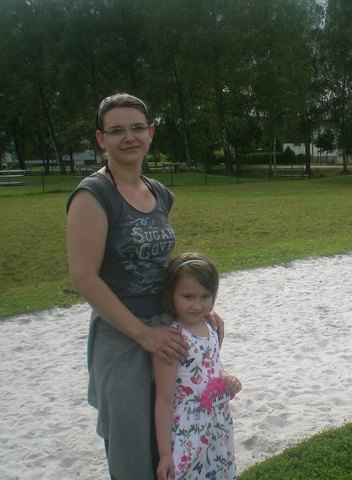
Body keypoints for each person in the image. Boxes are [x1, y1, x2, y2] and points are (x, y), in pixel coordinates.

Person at [66, 93, 223, 479]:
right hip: (123, 335)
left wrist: (198, 304)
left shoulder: (158, 192)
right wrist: (143, 335)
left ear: (151, 133)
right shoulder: (94, 195)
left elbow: (163, 261)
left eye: (137, 127)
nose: (129, 137)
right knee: (133, 450)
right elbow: (84, 277)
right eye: (116, 130)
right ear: (101, 139)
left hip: (166, 328)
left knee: (176, 437)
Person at [154, 252, 241, 480]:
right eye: (188, 296)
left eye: (205, 296)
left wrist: (227, 378)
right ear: (171, 294)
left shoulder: (210, 327)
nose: (197, 305)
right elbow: (163, 400)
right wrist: (164, 454)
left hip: (217, 424)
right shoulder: (173, 340)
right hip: (188, 430)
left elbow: (210, 368)